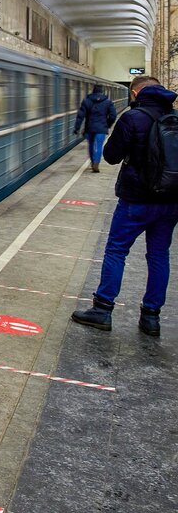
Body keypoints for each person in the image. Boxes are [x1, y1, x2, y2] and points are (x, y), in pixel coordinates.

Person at [71, 75, 178, 336]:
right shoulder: (175, 119)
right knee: (159, 255)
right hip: (170, 201)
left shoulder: (133, 118)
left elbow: (111, 156)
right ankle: (151, 317)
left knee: (117, 251)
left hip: (136, 200)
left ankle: (103, 310)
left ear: (135, 94)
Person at [72, 83, 116, 171]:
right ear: (102, 91)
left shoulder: (86, 101)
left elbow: (80, 116)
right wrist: (107, 124)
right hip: (101, 128)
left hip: (89, 128)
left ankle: (92, 162)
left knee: (91, 145)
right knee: (99, 146)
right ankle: (96, 163)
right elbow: (113, 116)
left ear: (93, 91)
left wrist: (77, 128)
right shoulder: (108, 102)